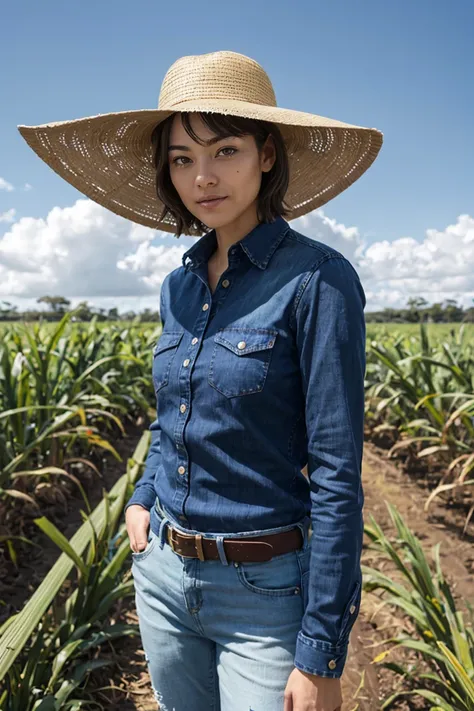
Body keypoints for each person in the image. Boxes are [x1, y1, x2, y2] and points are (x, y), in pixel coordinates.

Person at [18, 50, 383, 711]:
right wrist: (142, 497)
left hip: (264, 592)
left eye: (225, 149)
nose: (202, 176)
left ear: (267, 154)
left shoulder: (318, 281)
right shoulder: (176, 288)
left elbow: (337, 473)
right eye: (182, 158)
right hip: (163, 574)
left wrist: (321, 651)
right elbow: (170, 417)